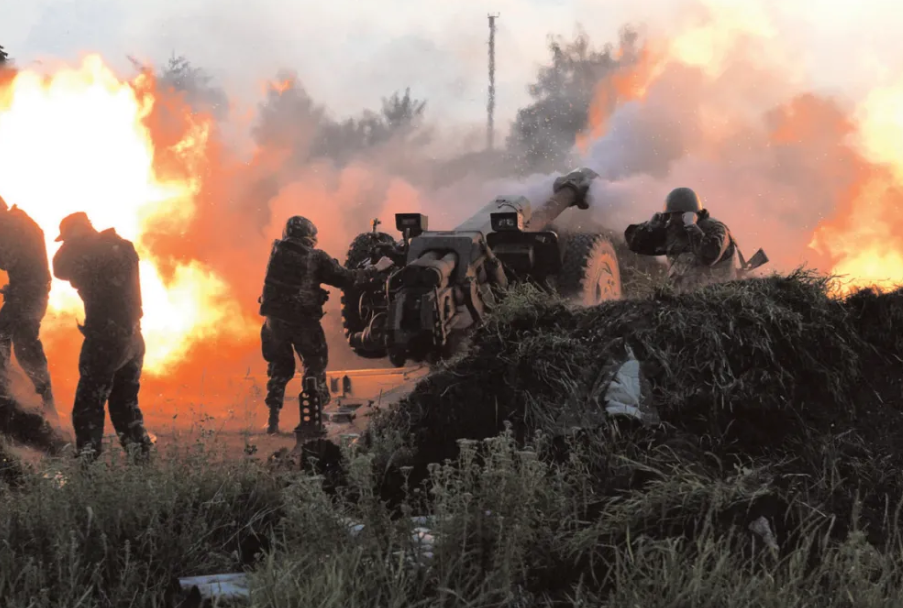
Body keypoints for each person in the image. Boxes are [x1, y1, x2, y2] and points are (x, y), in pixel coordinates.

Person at [259, 215, 394, 435]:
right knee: (314, 365)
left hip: (273, 321)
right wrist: (376, 268)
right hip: (302, 321)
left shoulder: (277, 251)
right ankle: (315, 418)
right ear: (309, 236)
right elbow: (347, 278)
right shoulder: (315, 257)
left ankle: (272, 421)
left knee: (279, 368)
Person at [51, 212, 152, 461]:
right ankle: (142, 459)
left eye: (68, 238)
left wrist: (75, 241)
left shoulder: (89, 253)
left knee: (88, 404)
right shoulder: (122, 246)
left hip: (106, 339)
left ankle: (88, 464)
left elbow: (59, 268)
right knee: (124, 404)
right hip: (132, 336)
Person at [0, 195, 56, 419]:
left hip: (27, 294)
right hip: (28, 292)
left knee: (22, 345)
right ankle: (32, 396)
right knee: (17, 342)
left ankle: (17, 395)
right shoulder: (20, 221)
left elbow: (7, 260)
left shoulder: (9, 225)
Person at [624, 187, 738, 293]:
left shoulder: (715, 229)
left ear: (691, 214)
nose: (673, 220)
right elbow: (636, 245)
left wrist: (692, 228)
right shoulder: (673, 231)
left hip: (717, 297)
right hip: (681, 300)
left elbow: (709, 256)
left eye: (677, 215)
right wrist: (650, 228)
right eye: (670, 215)